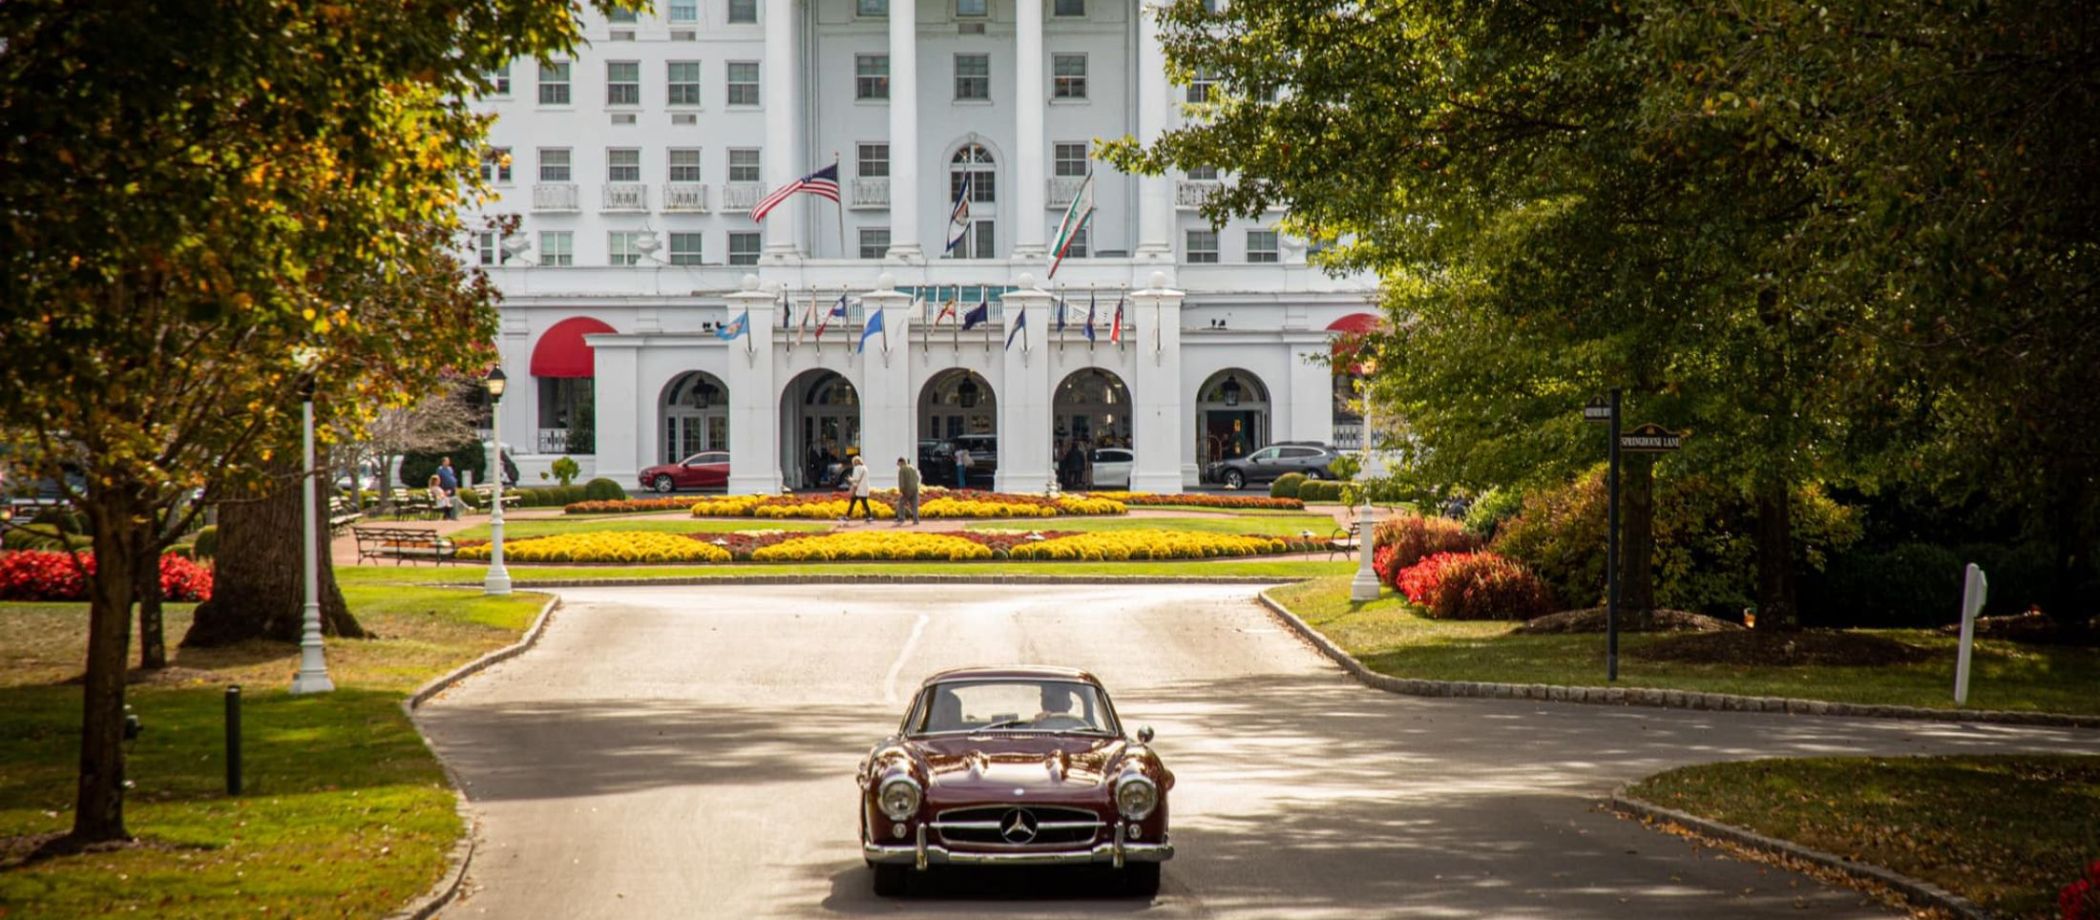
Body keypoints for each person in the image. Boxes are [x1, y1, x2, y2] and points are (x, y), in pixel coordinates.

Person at [842, 455, 874, 523]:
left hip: (858, 489)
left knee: (853, 502)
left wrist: (850, 479)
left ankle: (847, 516)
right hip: (864, 488)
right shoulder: (865, 468)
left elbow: (856, 479)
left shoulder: (856, 468)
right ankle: (870, 516)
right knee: (864, 503)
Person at [893, 457, 921, 526]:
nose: (898, 465)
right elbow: (917, 478)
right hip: (915, 488)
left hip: (907, 490)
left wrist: (901, 490)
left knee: (901, 503)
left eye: (898, 463)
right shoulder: (913, 468)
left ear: (901, 462)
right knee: (914, 505)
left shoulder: (902, 469)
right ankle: (916, 520)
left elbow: (901, 481)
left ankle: (901, 518)